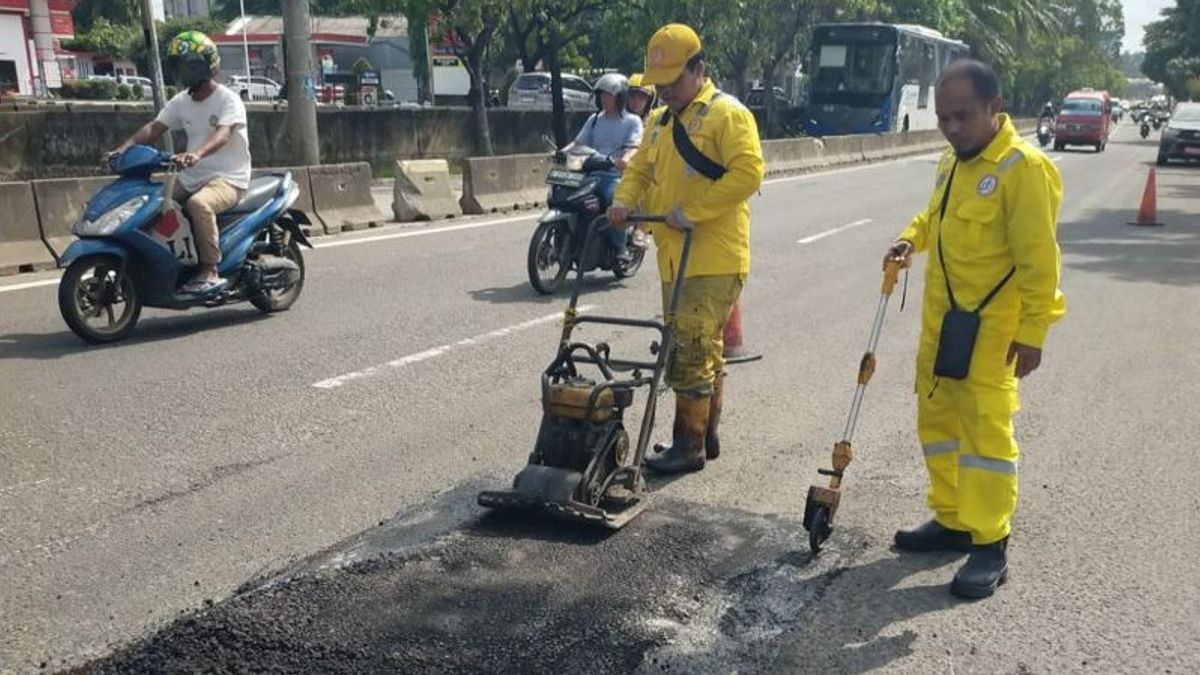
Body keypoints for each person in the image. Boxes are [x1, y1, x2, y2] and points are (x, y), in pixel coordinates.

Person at [883, 60, 1066, 600]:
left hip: (992, 337)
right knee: (938, 425)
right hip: (942, 328)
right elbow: (932, 217)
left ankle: (990, 541)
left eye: (963, 116)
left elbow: (1040, 261)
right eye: (943, 118)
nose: (952, 127)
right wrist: (907, 240)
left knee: (986, 438)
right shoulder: (951, 163)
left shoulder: (1022, 169)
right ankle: (953, 518)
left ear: (996, 109)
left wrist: (1034, 330)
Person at [607, 24, 764, 475]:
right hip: (673, 256)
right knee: (699, 346)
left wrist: (691, 211)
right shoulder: (659, 123)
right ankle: (706, 434)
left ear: (699, 69)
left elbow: (748, 173)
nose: (666, 91)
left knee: (691, 349)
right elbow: (640, 174)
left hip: (713, 256)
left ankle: (688, 446)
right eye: (660, 84)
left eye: (674, 82)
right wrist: (622, 201)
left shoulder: (726, 115)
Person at [108, 31, 251, 295]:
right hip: (191, 177)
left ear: (205, 67)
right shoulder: (182, 101)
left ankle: (210, 269)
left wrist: (196, 154)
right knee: (151, 203)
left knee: (199, 204)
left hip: (229, 178)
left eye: (187, 65)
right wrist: (123, 149)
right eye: (178, 65)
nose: (182, 72)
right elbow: (154, 127)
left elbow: (222, 134)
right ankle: (168, 262)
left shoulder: (228, 99)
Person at [559, 73, 643, 261]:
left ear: (620, 97)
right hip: (589, 172)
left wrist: (625, 159)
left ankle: (620, 248)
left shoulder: (632, 121)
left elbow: (634, 146)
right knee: (568, 193)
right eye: (602, 96)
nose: (604, 99)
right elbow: (578, 143)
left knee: (613, 202)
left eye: (608, 95)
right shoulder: (594, 119)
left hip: (614, 176)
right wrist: (561, 152)